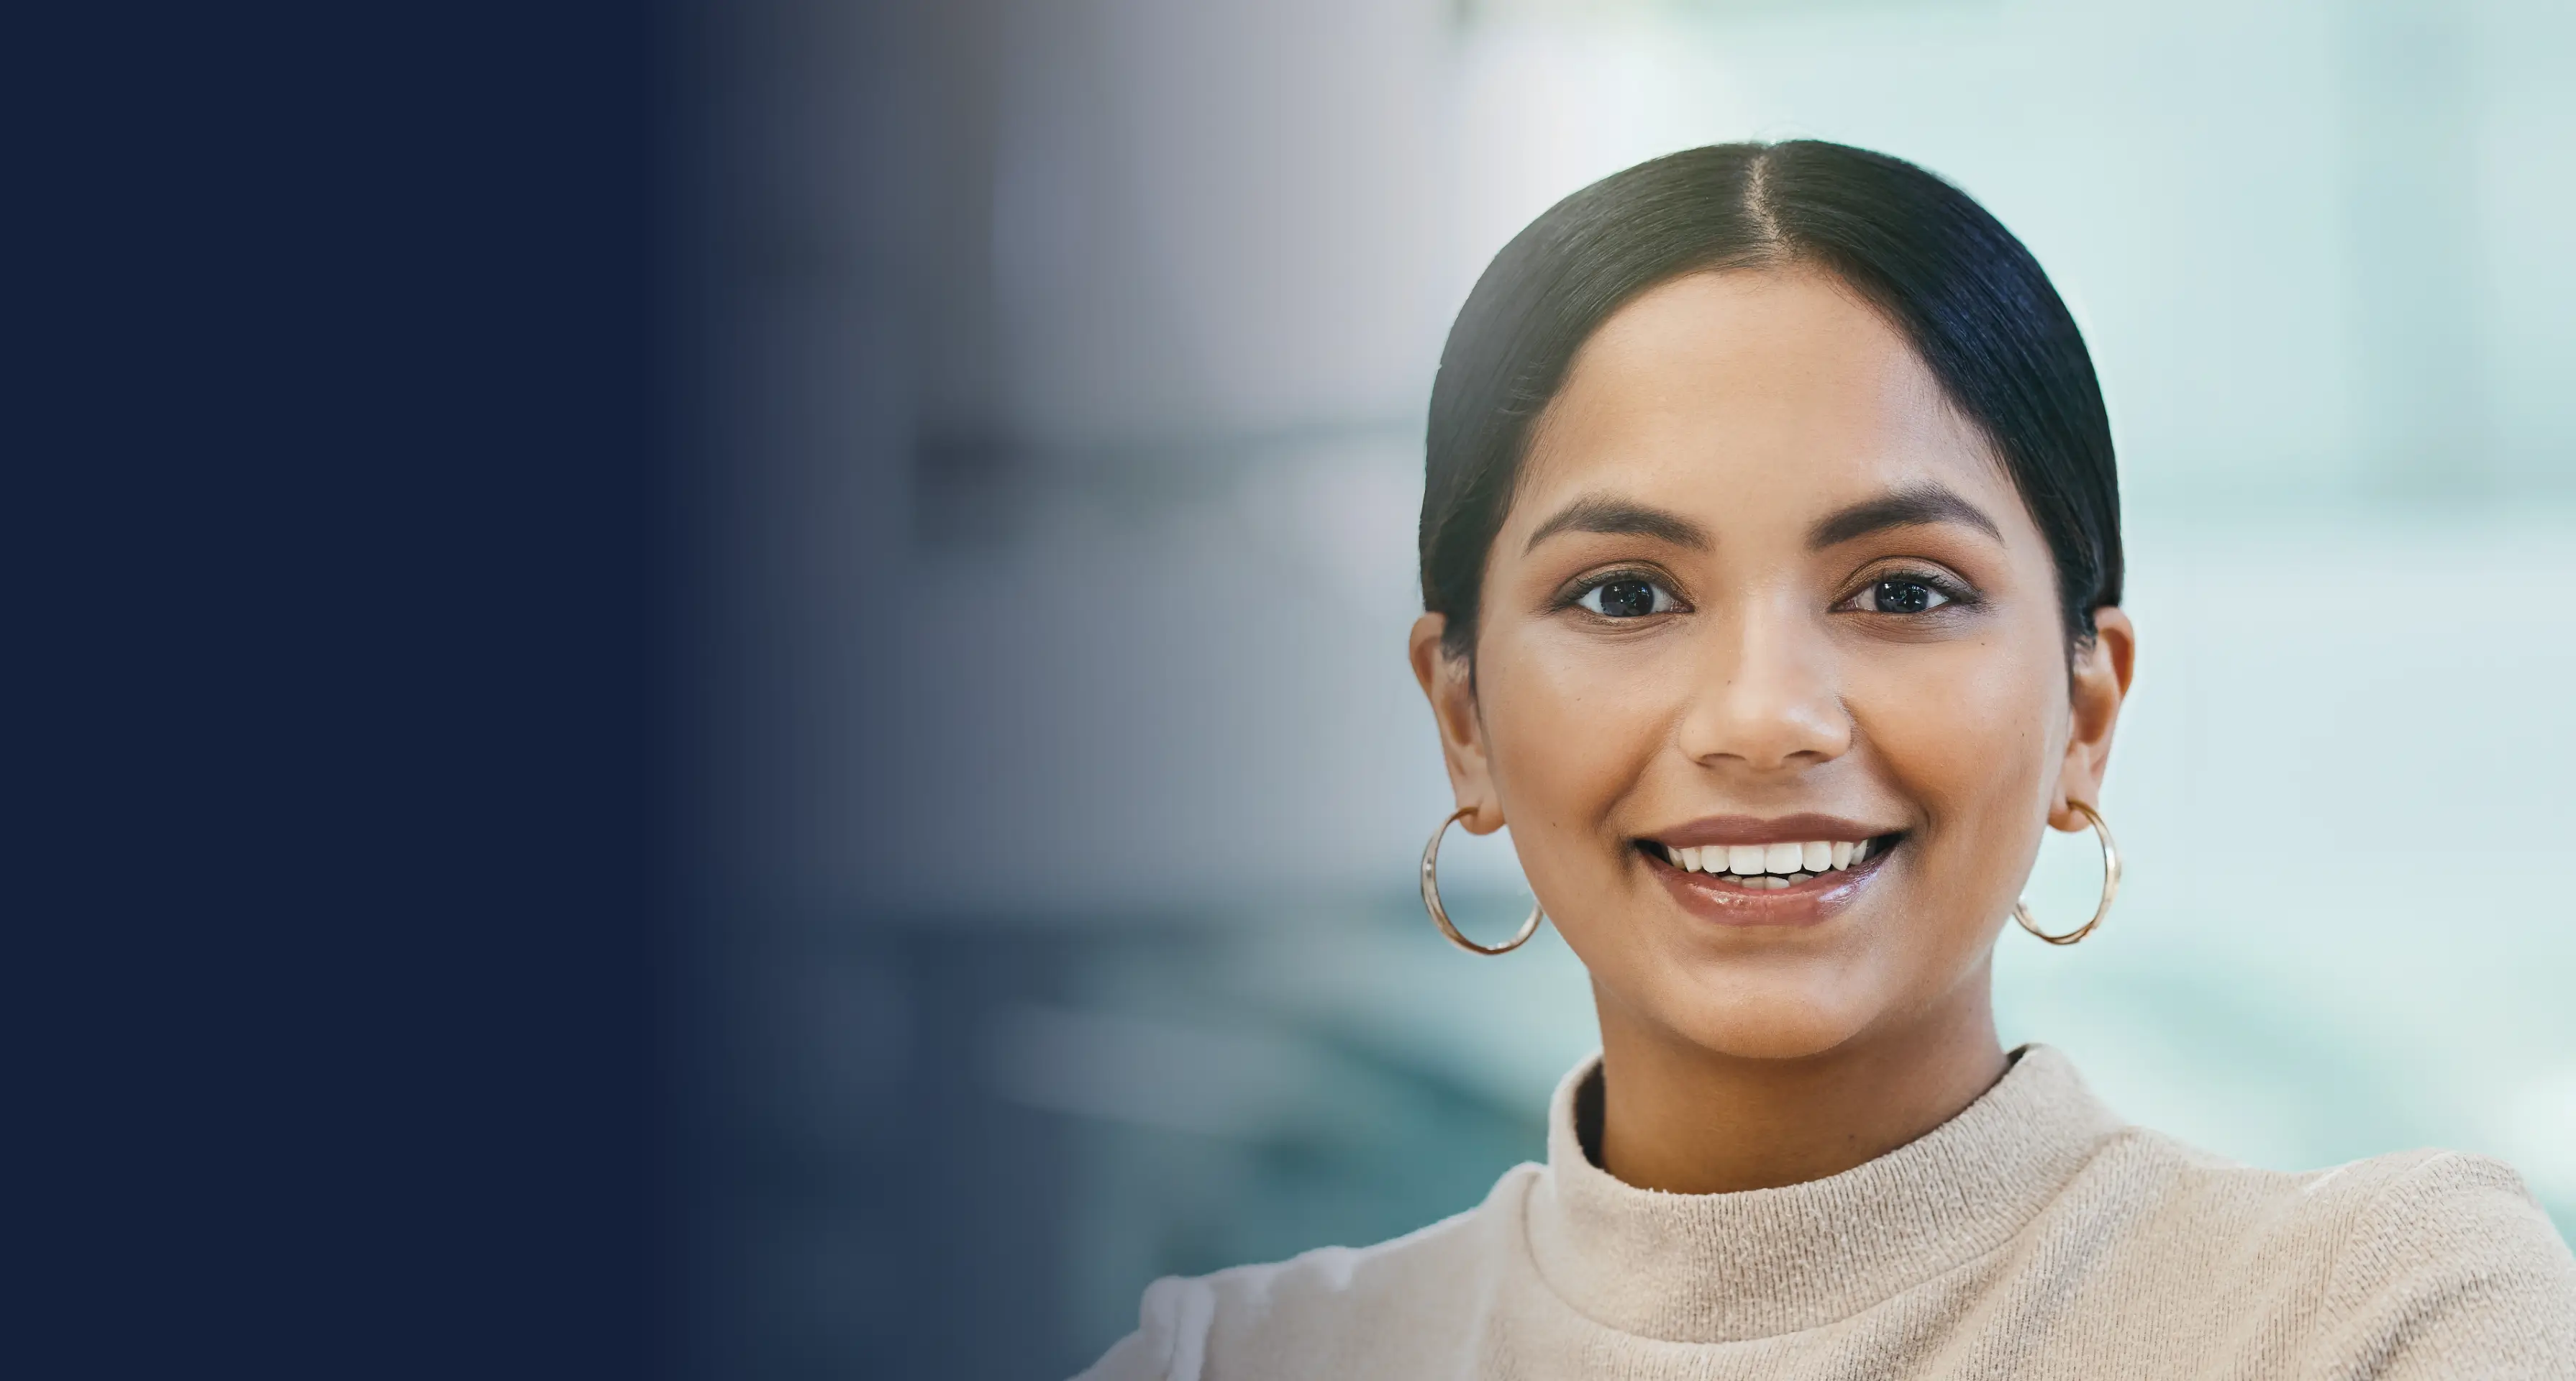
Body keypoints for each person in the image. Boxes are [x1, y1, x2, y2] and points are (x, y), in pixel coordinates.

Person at [1078, 140, 2576, 1378]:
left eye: (1903, 592)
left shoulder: (2378, 1317)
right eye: (1626, 595)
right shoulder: (1234, 1362)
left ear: (2088, 712)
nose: (1763, 715)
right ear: (1461, 716)